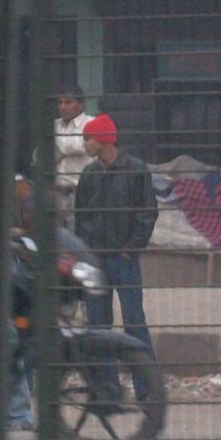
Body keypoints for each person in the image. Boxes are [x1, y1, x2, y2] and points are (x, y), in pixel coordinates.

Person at [74, 113, 157, 400]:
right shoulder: (89, 175)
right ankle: (108, 390)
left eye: (88, 138)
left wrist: (129, 249)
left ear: (104, 139)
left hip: (123, 260)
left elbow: (146, 214)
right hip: (95, 260)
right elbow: (81, 218)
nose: (84, 143)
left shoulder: (135, 170)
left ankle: (147, 391)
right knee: (98, 326)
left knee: (134, 322)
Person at [53, 85, 93, 228]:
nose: (63, 107)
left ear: (81, 104)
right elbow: (39, 156)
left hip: (80, 192)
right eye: (60, 102)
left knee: (77, 236)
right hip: (57, 192)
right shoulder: (54, 125)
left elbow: (76, 145)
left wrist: (57, 146)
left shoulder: (90, 123)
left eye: (68, 102)